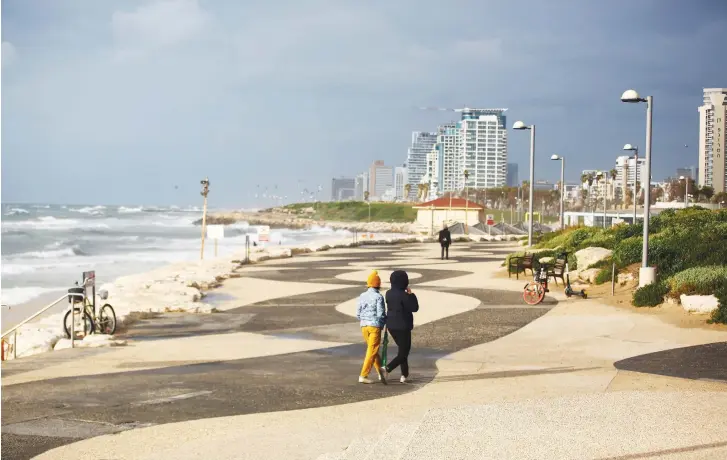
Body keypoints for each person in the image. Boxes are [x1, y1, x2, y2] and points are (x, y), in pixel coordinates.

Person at [381, 270, 419, 383]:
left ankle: (404, 375)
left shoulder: (388, 293)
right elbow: (414, 308)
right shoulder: (404, 295)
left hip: (391, 326)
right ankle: (387, 368)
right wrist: (411, 294)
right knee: (403, 353)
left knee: (402, 350)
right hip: (403, 326)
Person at [355, 270, 387, 384]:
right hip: (374, 326)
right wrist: (383, 323)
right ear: (378, 285)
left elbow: (357, 313)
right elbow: (381, 314)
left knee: (373, 350)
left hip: (364, 326)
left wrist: (364, 319)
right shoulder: (378, 297)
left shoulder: (362, 296)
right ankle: (363, 375)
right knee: (372, 350)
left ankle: (380, 372)